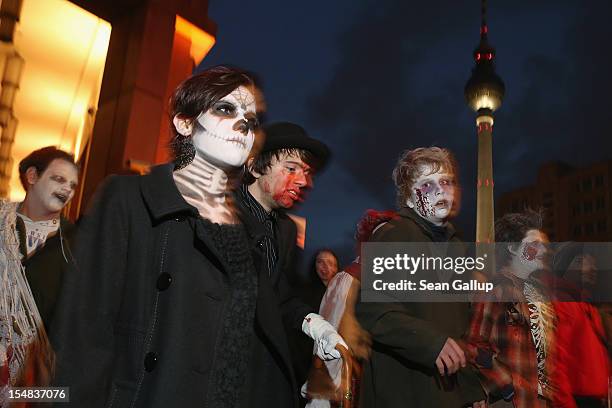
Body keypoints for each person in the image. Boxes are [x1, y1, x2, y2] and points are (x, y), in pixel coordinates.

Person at [50, 66, 335, 408]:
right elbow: (83, 337)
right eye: (226, 109)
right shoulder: (128, 198)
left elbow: (256, 324)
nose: (244, 123)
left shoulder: (246, 226)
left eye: (251, 117)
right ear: (185, 123)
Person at [355, 147, 484, 407]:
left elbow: (459, 330)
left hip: (446, 392)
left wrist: (471, 388)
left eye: (446, 181)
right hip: (404, 390)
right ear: (410, 199)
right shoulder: (394, 234)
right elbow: (374, 312)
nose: (440, 190)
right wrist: (430, 343)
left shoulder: (456, 246)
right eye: (426, 184)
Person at [235, 122, 347, 399]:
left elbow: (280, 296)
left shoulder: (285, 230)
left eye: (307, 173)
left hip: (262, 377)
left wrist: (315, 325)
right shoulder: (220, 214)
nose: (303, 181)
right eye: (291, 168)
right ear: (254, 166)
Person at [0, 146, 78, 404]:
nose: (66, 189)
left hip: (32, 389)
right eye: (58, 179)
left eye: (72, 185)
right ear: (32, 176)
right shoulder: (2, 224)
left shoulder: (76, 246)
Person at [465, 210, 556, 407]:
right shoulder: (496, 291)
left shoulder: (539, 296)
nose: (543, 250)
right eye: (534, 244)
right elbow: (475, 346)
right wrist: (508, 387)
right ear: (513, 248)